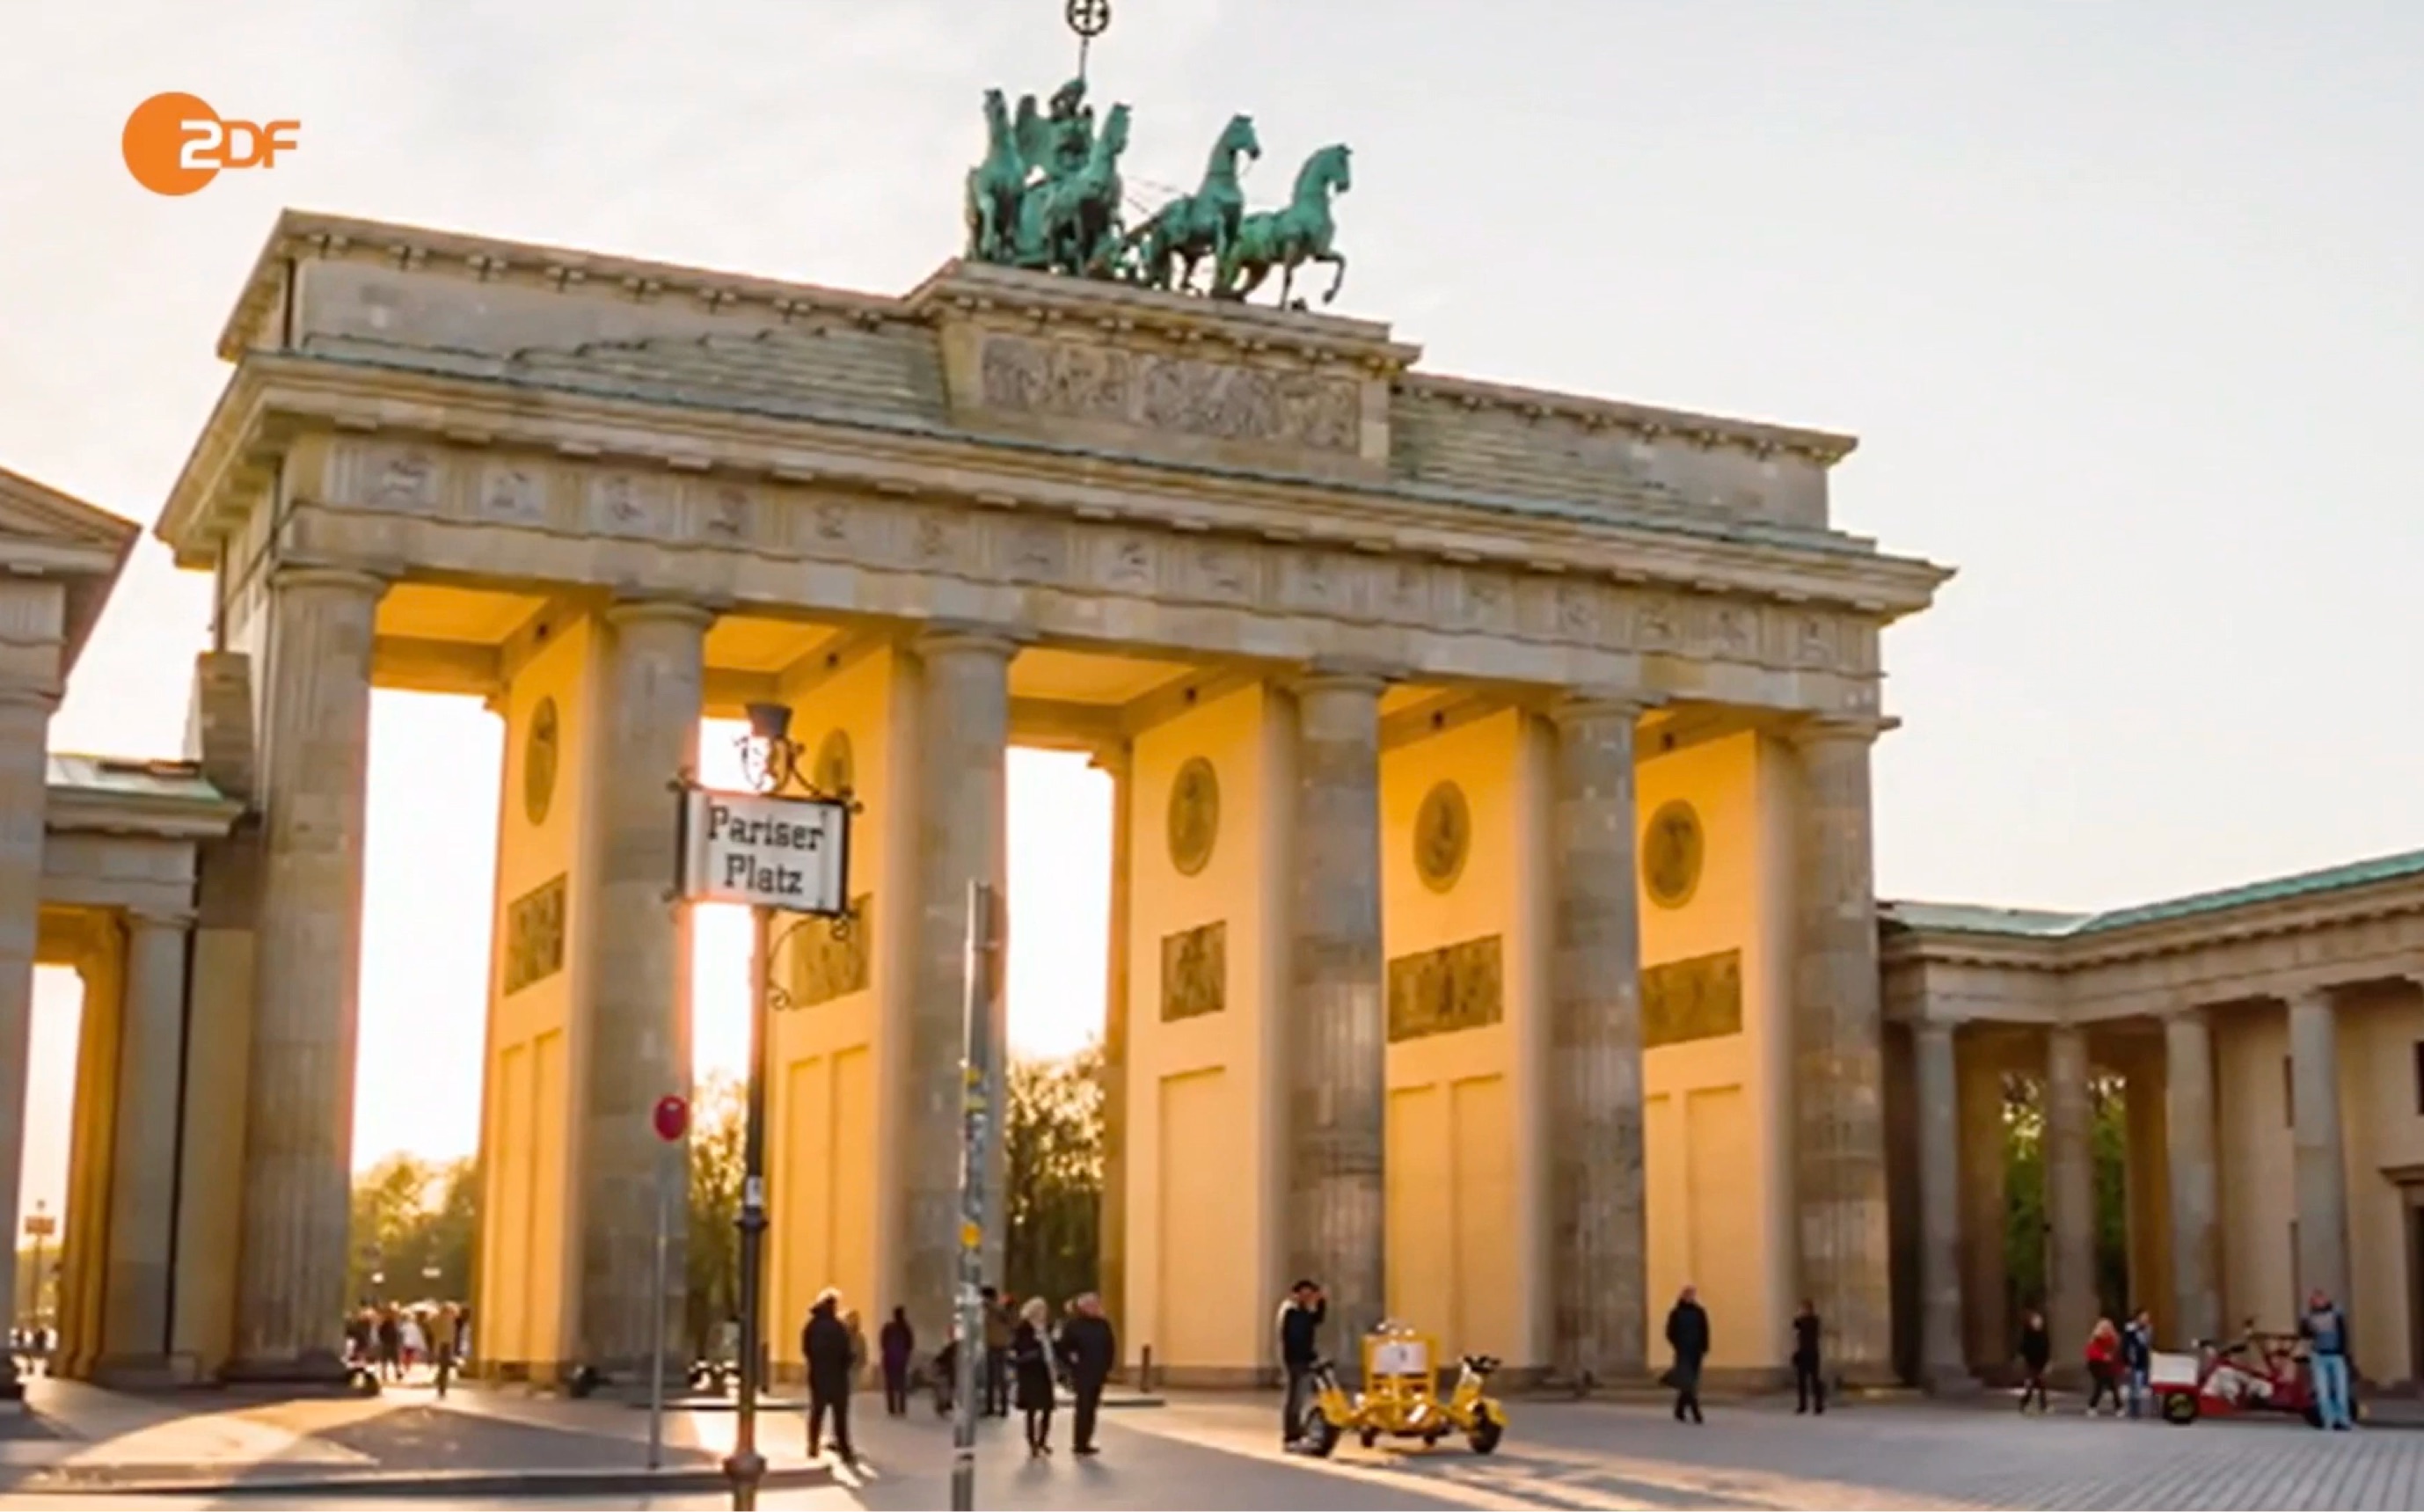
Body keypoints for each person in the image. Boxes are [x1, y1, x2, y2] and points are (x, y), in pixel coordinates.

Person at [1056, 1292, 1116, 1457]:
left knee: (1092, 1407)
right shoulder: (1073, 1325)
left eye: (1096, 1304)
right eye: (1091, 1305)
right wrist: (1071, 1360)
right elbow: (1062, 1347)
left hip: (1098, 1371)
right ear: (1083, 1307)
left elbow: (1110, 1345)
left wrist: (1108, 1366)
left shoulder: (1103, 1324)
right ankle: (1079, 1442)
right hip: (1082, 1372)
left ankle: (1087, 1440)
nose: (1095, 1307)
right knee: (1083, 1406)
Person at [801, 1289, 858, 1464]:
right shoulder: (838, 1327)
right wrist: (846, 1363)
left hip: (818, 1375)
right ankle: (844, 1449)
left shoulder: (811, 1326)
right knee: (840, 1416)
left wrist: (816, 1364)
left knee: (817, 1411)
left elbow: (806, 1349)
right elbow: (847, 1353)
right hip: (838, 1377)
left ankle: (812, 1446)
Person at [1274, 1279, 1326, 1448]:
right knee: (1295, 1399)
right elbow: (1297, 1338)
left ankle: (1296, 1432)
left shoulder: (1299, 1310)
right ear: (1297, 1294)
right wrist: (1309, 1357)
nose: (1308, 1297)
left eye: (1311, 1294)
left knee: (1298, 1398)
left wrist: (1322, 1303)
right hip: (1296, 1361)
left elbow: (1317, 1320)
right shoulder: (1292, 1311)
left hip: (1300, 1360)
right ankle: (1292, 1435)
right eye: (1306, 1294)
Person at [2300, 1288, 2355, 1430]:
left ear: (2325, 1299)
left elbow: (2343, 1333)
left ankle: (2343, 1419)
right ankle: (2328, 1419)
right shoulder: (2310, 1316)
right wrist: (2306, 1323)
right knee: (2322, 1390)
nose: (2317, 1302)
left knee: (2340, 1389)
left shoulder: (2336, 1313)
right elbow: (2305, 1335)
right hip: (2319, 1355)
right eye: (2314, 1300)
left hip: (2336, 1354)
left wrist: (2344, 1352)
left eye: (2319, 1299)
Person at [1011, 1297, 1056, 1457]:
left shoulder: (1047, 1328)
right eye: (1040, 1310)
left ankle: (1043, 1440)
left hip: (1045, 1371)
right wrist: (1035, 1348)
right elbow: (1019, 1348)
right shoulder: (1024, 1328)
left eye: (1044, 1310)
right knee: (1031, 1409)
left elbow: (1053, 1347)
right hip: (1030, 1372)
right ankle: (1032, 1442)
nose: (1043, 1313)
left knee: (1047, 1409)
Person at [1664, 1285, 1709, 1425]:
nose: (1690, 1297)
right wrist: (1677, 1345)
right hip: (1683, 1351)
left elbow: (1705, 1330)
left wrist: (1704, 1347)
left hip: (1696, 1352)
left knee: (1690, 1382)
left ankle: (1679, 1409)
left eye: (1692, 1295)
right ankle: (1697, 1414)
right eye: (1687, 1294)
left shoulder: (1700, 1312)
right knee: (1689, 1382)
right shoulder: (1676, 1313)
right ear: (1682, 1296)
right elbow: (1670, 1332)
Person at [982, 1287, 1013, 1419]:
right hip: (993, 1345)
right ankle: (992, 1407)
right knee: (992, 1378)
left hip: (999, 1346)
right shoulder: (990, 1310)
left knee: (999, 1378)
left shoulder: (997, 1309)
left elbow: (1009, 1320)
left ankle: (1002, 1407)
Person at [879, 1307, 915, 1418]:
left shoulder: (888, 1328)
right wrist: (906, 1355)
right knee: (901, 1383)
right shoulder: (906, 1328)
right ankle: (902, 1408)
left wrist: (886, 1352)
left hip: (889, 1359)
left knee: (889, 1383)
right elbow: (910, 1344)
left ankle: (892, 1408)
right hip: (901, 1360)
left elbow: (882, 1342)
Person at [1791, 1298, 1824, 1415]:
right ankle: (1804, 1405)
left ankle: (1816, 1405)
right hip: (1804, 1353)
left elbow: (1796, 1326)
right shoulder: (1808, 1321)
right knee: (1803, 1381)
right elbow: (1795, 1329)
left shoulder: (1812, 1321)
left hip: (1810, 1353)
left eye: (1803, 1309)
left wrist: (1799, 1317)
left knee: (1813, 1381)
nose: (1802, 1311)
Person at [2084, 1317, 2121, 1416]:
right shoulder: (2095, 1338)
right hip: (2097, 1364)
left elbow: (2116, 1351)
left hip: (2108, 1365)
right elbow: (2091, 1352)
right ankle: (2092, 1406)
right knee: (2100, 1385)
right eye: (2104, 1327)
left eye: (2108, 1327)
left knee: (2112, 1385)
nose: (2106, 1329)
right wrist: (2103, 1356)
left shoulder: (2114, 1339)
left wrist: (2110, 1357)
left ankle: (2118, 1407)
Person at [2016, 1309, 2051, 1414]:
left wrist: (2047, 1362)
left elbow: (2046, 1349)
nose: (2038, 1323)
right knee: (2033, 1385)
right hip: (2031, 1363)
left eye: (2039, 1321)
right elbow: (2023, 1348)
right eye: (2036, 1321)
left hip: (2041, 1363)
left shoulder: (2043, 1334)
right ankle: (2026, 1403)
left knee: (2041, 1385)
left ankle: (2042, 1406)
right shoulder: (2028, 1335)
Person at [2121, 1311, 2153, 1420]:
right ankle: (2133, 1408)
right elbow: (2125, 1345)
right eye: (2143, 1317)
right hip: (2133, 1360)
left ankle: (2136, 1408)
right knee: (2134, 1385)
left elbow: (2147, 1345)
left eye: (2147, 1317)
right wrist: (2126, 1362)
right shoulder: (2131, 1329)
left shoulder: (2148, 1330)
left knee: (2138, 1385)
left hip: (2142, 1361)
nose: (2145, 1319)